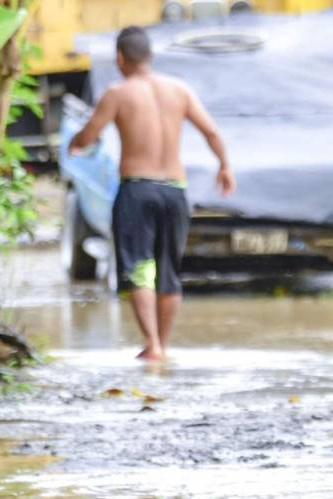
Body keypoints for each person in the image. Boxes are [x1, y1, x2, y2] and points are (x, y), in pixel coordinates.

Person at [70, 26, 235, 361]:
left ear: (120, 58)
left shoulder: (118, 93)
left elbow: (90, 135)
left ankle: (153, 345)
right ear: (150, 56)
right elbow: (212, 131)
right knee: (169, 269)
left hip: (137, 189)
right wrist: (224, 166)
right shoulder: (179, 90)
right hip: (174, 191)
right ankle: (165, 343)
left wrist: (75, 144)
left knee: (140, 267)